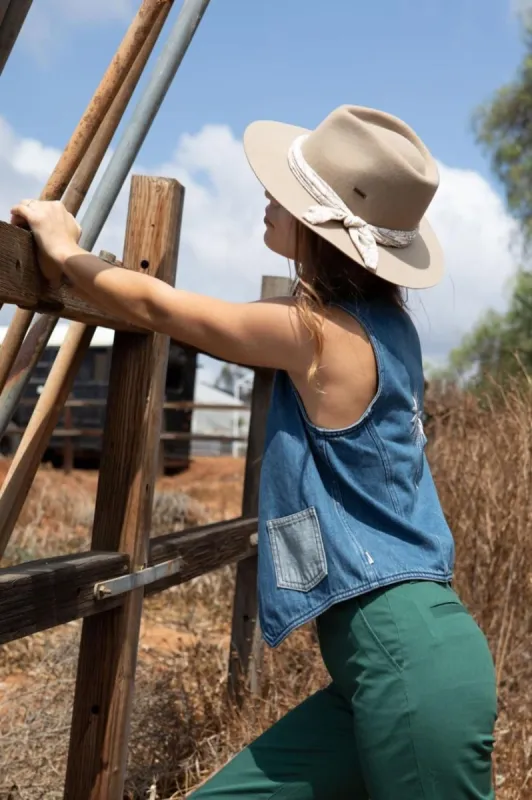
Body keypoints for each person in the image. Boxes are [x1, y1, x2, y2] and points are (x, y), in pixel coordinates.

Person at [11, 105, 497, 799]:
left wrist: (65, 253)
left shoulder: (316, 337)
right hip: (400, 662)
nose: (268, 196)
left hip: (404, 661)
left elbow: (161, 309)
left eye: (290, 194)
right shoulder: (389, 330)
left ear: (324, 232)